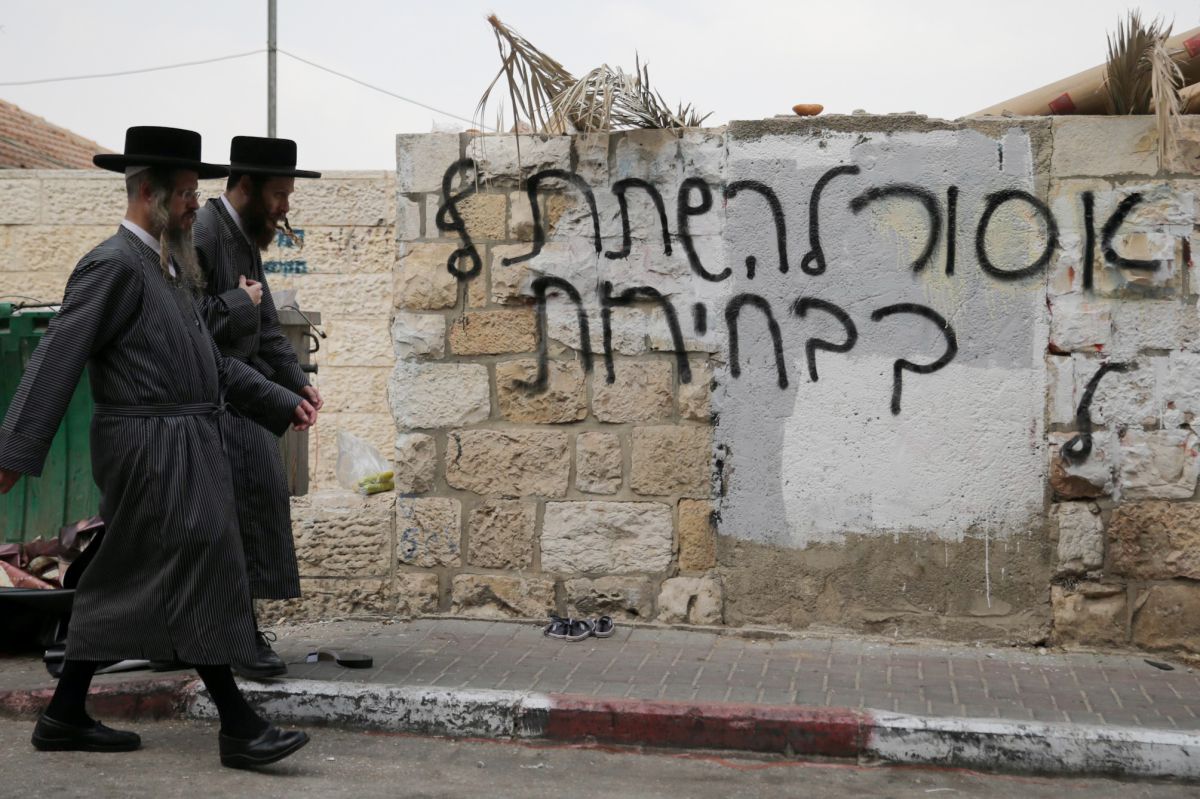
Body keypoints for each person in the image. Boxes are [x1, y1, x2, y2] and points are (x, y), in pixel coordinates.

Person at [0, 126, 316, 769]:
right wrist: (12, 453)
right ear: (149, 193)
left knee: (124, 577)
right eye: (186, 195)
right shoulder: (111, 265)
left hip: (184, 440)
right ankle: (239, 726)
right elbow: (57, 359)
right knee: (204, 558)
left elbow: (210, 363)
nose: (196, 206)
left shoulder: (170, 267)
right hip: (149, 446)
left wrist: (280, 400)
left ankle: (63, 715)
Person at [192, 136, 322, 679]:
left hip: (244, 396)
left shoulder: (244, 236)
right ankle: (236, 637)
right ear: (244, 187)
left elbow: (267, 326)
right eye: (277, 194)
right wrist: (237, 303)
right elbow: (193, 328)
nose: (285, 206)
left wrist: (299, 384)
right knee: (238, 516)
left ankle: (231, 631)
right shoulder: (204, 233)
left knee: (255, 505)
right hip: (211, 401)